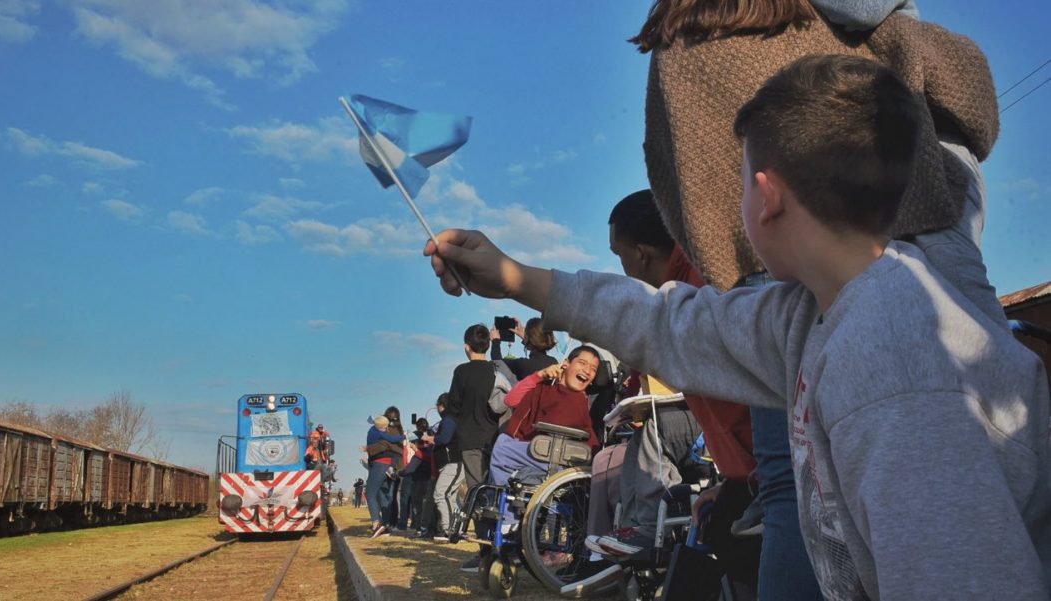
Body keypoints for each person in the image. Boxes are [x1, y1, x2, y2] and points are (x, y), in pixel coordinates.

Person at [424, 55, 1051, 599]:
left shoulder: (900, 378)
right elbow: (666, 322)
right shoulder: (812, 314)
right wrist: (514, 276)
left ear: (764, 195)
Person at [631, 2, 1005, 597]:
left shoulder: (679, 32)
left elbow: (667, 165)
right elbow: (968, 96)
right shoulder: (844, 17)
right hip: (894, 247)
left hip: (763, 262)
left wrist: (728, 253)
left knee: (793, 490)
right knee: (952, 462)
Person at [585, 190, 758, 586]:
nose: (622, 266)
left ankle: (644, 526)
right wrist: (729, 482)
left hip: (765, 464)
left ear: (642, 253)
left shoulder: (697, 291)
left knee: (654, 436)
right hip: (744, 467)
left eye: (620, 255)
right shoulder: (688, 284)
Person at [488, 346, 602, 488]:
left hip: (560, 455)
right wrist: (539, 375)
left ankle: (502, 504)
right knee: (503, 440)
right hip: (543, 449)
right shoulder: (546, 387)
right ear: (565, 363)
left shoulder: (578, 399)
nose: (587, 370)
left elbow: (560, 422)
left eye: (593, 369)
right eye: (582, 363)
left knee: (501, 452)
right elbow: (510, 400)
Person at [446, 324, 501, 571]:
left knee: (477, 493)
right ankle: (502, 545)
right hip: (497, 439)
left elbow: (453, 406)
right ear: (487, 345)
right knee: (497, 492)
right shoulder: (495, 369)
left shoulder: (461, 372)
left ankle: (485, 551)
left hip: (470, 439)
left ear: (467, 347)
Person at [423, 393, 463, 542]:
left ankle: (448, 530)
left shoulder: (448, 420)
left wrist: (429, 438)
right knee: (450, 498)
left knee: (440, 494)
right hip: (451, 464)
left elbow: (444, 438)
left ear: (441, 406)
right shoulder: (452, 419)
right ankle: (455, 530)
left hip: (453, 463)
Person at [364, 415, 405, 539]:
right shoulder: (377, 432)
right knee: (383, 496)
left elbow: (389, 439)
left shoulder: (373, 431)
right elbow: (392, 439)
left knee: (370, 494)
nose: (386, 429)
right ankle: (386, 525)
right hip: (389, 464)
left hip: (379, 464)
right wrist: (404, 436)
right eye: (384, 427)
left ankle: (376, 524)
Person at [490, 316, 559, 381]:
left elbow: (497, 363)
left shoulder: (523, 365)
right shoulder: (553, 362)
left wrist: (495, 341)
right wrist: (527, 338)